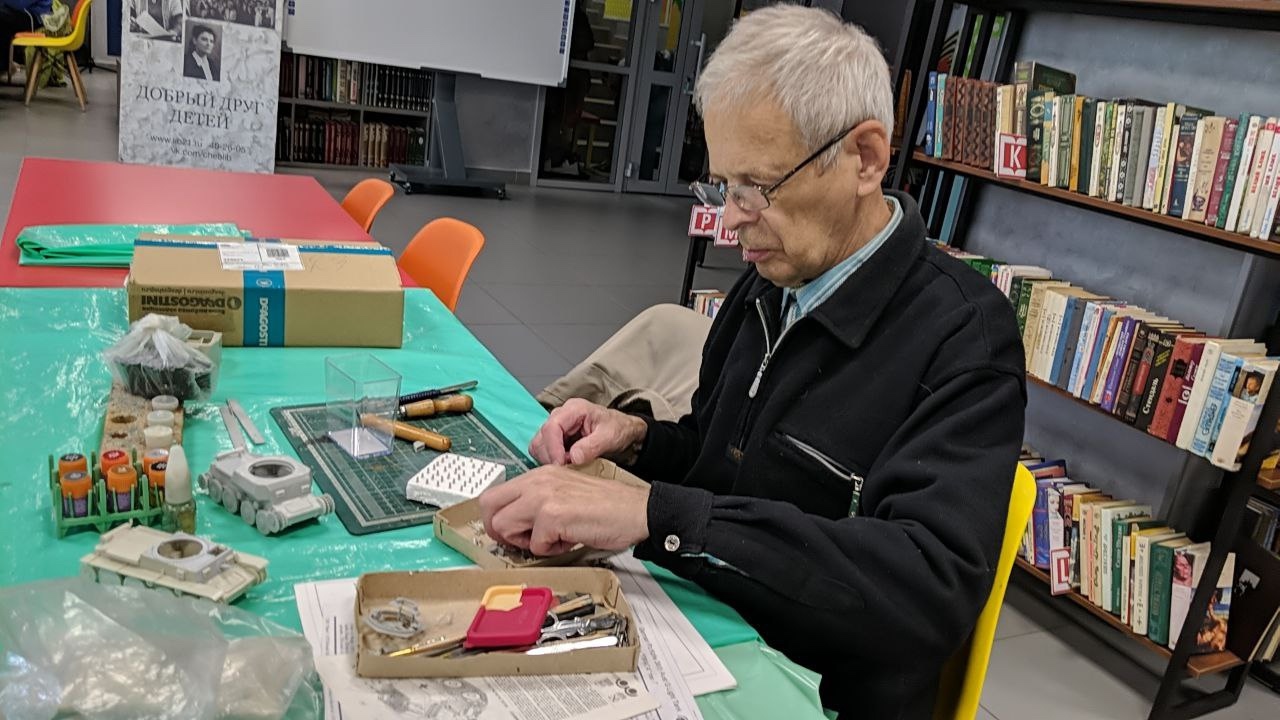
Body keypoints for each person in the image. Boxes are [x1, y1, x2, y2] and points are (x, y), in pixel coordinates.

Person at [478, 6, 1025, 719]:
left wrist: (654, 513)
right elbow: (719, 463)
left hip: (813, 691)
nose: (730, 219)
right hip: (699, 625)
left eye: (756, 188)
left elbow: (922, 592)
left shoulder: (966, 339)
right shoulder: (770, 283)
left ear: (865, 158)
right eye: (723, 186)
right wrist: (637, 441)